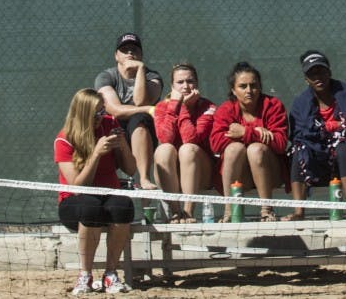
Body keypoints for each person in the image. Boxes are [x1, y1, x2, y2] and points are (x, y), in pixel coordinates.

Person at [54, 88, 137, 294]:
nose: (103, 117)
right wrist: (96, 154)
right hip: (75, 199)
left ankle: (110, 274)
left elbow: (130, 169)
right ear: (83, 114)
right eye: (97, 113)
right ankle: (85, 275)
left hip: (107, 194)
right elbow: (77, 186)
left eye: (103, 111)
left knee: (122, 205)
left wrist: (123, 145)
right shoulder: (64, 140)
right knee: (90, 206)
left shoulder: (110, 124)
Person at [285, 50, 346, 221]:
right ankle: (299, 212)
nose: (318, 77)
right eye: (312, 74)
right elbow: (299, 135)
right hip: (316, 161)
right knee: (299, 149)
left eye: (321, 71)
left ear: (329, 72)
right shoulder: (301, 103)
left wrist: (324, 130)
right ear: (305, 79)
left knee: (344, 146)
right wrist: (332, 128)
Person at [209, 62, 289, 222]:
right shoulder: (226, 110)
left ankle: (267, 210)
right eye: (242, 86)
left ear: (260, 87)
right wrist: (258, 132)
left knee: (256, 149)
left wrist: (246, 132)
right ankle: (229, 210)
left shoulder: (273, 106)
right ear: (233, 90)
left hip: (270, 174)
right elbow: (215, 144)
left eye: (253, 86)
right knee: (233, 149)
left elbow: (280, 144)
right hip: (240, 176)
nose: (249, 91)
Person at [94, 32, 163, 190]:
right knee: (139, 114)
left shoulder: (152, 76)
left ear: (141, 55)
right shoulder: (106, 76)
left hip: (144, 129)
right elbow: (115, 110)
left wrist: (140, 69)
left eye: (134, 49)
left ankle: (144, 179)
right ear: (116, 56)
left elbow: (140, 101)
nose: (130, 53)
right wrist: (148, 108)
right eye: (124, 50)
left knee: (139, 119)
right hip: (113, 128)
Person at [152, 62, 217, 223]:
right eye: (180, 82)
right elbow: (165, 138)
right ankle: (176, 212)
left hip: (201, 173)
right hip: (169, 175)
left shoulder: (208, 107)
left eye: (190, 81)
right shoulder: (161, 107)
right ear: (172, 86)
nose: (186, 86)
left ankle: (188, 212)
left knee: (188, 149)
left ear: (197, 83)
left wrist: (183, 107)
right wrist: (176, 106)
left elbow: (191, 139)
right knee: (163, 149)